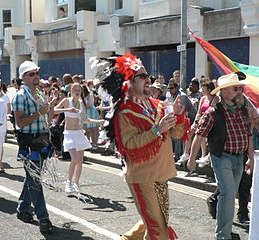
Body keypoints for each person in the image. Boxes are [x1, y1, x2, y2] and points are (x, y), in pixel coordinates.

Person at [92, 53, 189, 240]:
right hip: (142, 177)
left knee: (153, 222)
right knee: (158, 229)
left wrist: (178, 115)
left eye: (148, 76)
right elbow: (129, 144)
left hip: (161, 174)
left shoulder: (158, 105)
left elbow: (177, 133)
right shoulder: (125, 112)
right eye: (142, 76)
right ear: (129, 82)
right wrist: (157, 129)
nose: (148, 80)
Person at [187, 73, 253, 240]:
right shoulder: (213, 112)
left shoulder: (243, 110)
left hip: (239, 158)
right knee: (228, 193)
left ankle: (226, 230)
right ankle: (223, 235)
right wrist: (191, 157)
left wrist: (251, 158)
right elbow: (200, 135)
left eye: (239, 88)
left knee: (230, 194)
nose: (239, 91)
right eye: (235, 88)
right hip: (221, 156)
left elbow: (249, 136)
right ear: (224, 92)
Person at [12, 61, 53, 235]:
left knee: (32, 177)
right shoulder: (20, 96)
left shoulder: (41, 94)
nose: (35, 77)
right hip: (29, 144)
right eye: (31, 74)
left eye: (36, 73)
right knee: (35, 180)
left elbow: (46, 116)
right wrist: (39, 113)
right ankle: (43, 217)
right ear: (23, 78)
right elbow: (19, 122)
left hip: (42, 142)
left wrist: (49, 111)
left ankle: (22, 208)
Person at [54, 82, 103, 194]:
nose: (77, 91)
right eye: (75, 89)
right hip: (69, 134)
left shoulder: (82, 103)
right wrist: (67, 110)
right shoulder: (67, 101)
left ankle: (76, 184)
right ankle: (68, 183)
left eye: (79, 90)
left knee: (80, 161)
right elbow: (54, 110)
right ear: (71, 91)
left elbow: (85, 120)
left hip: (79, 133)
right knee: (74, 159)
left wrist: (99, 121)